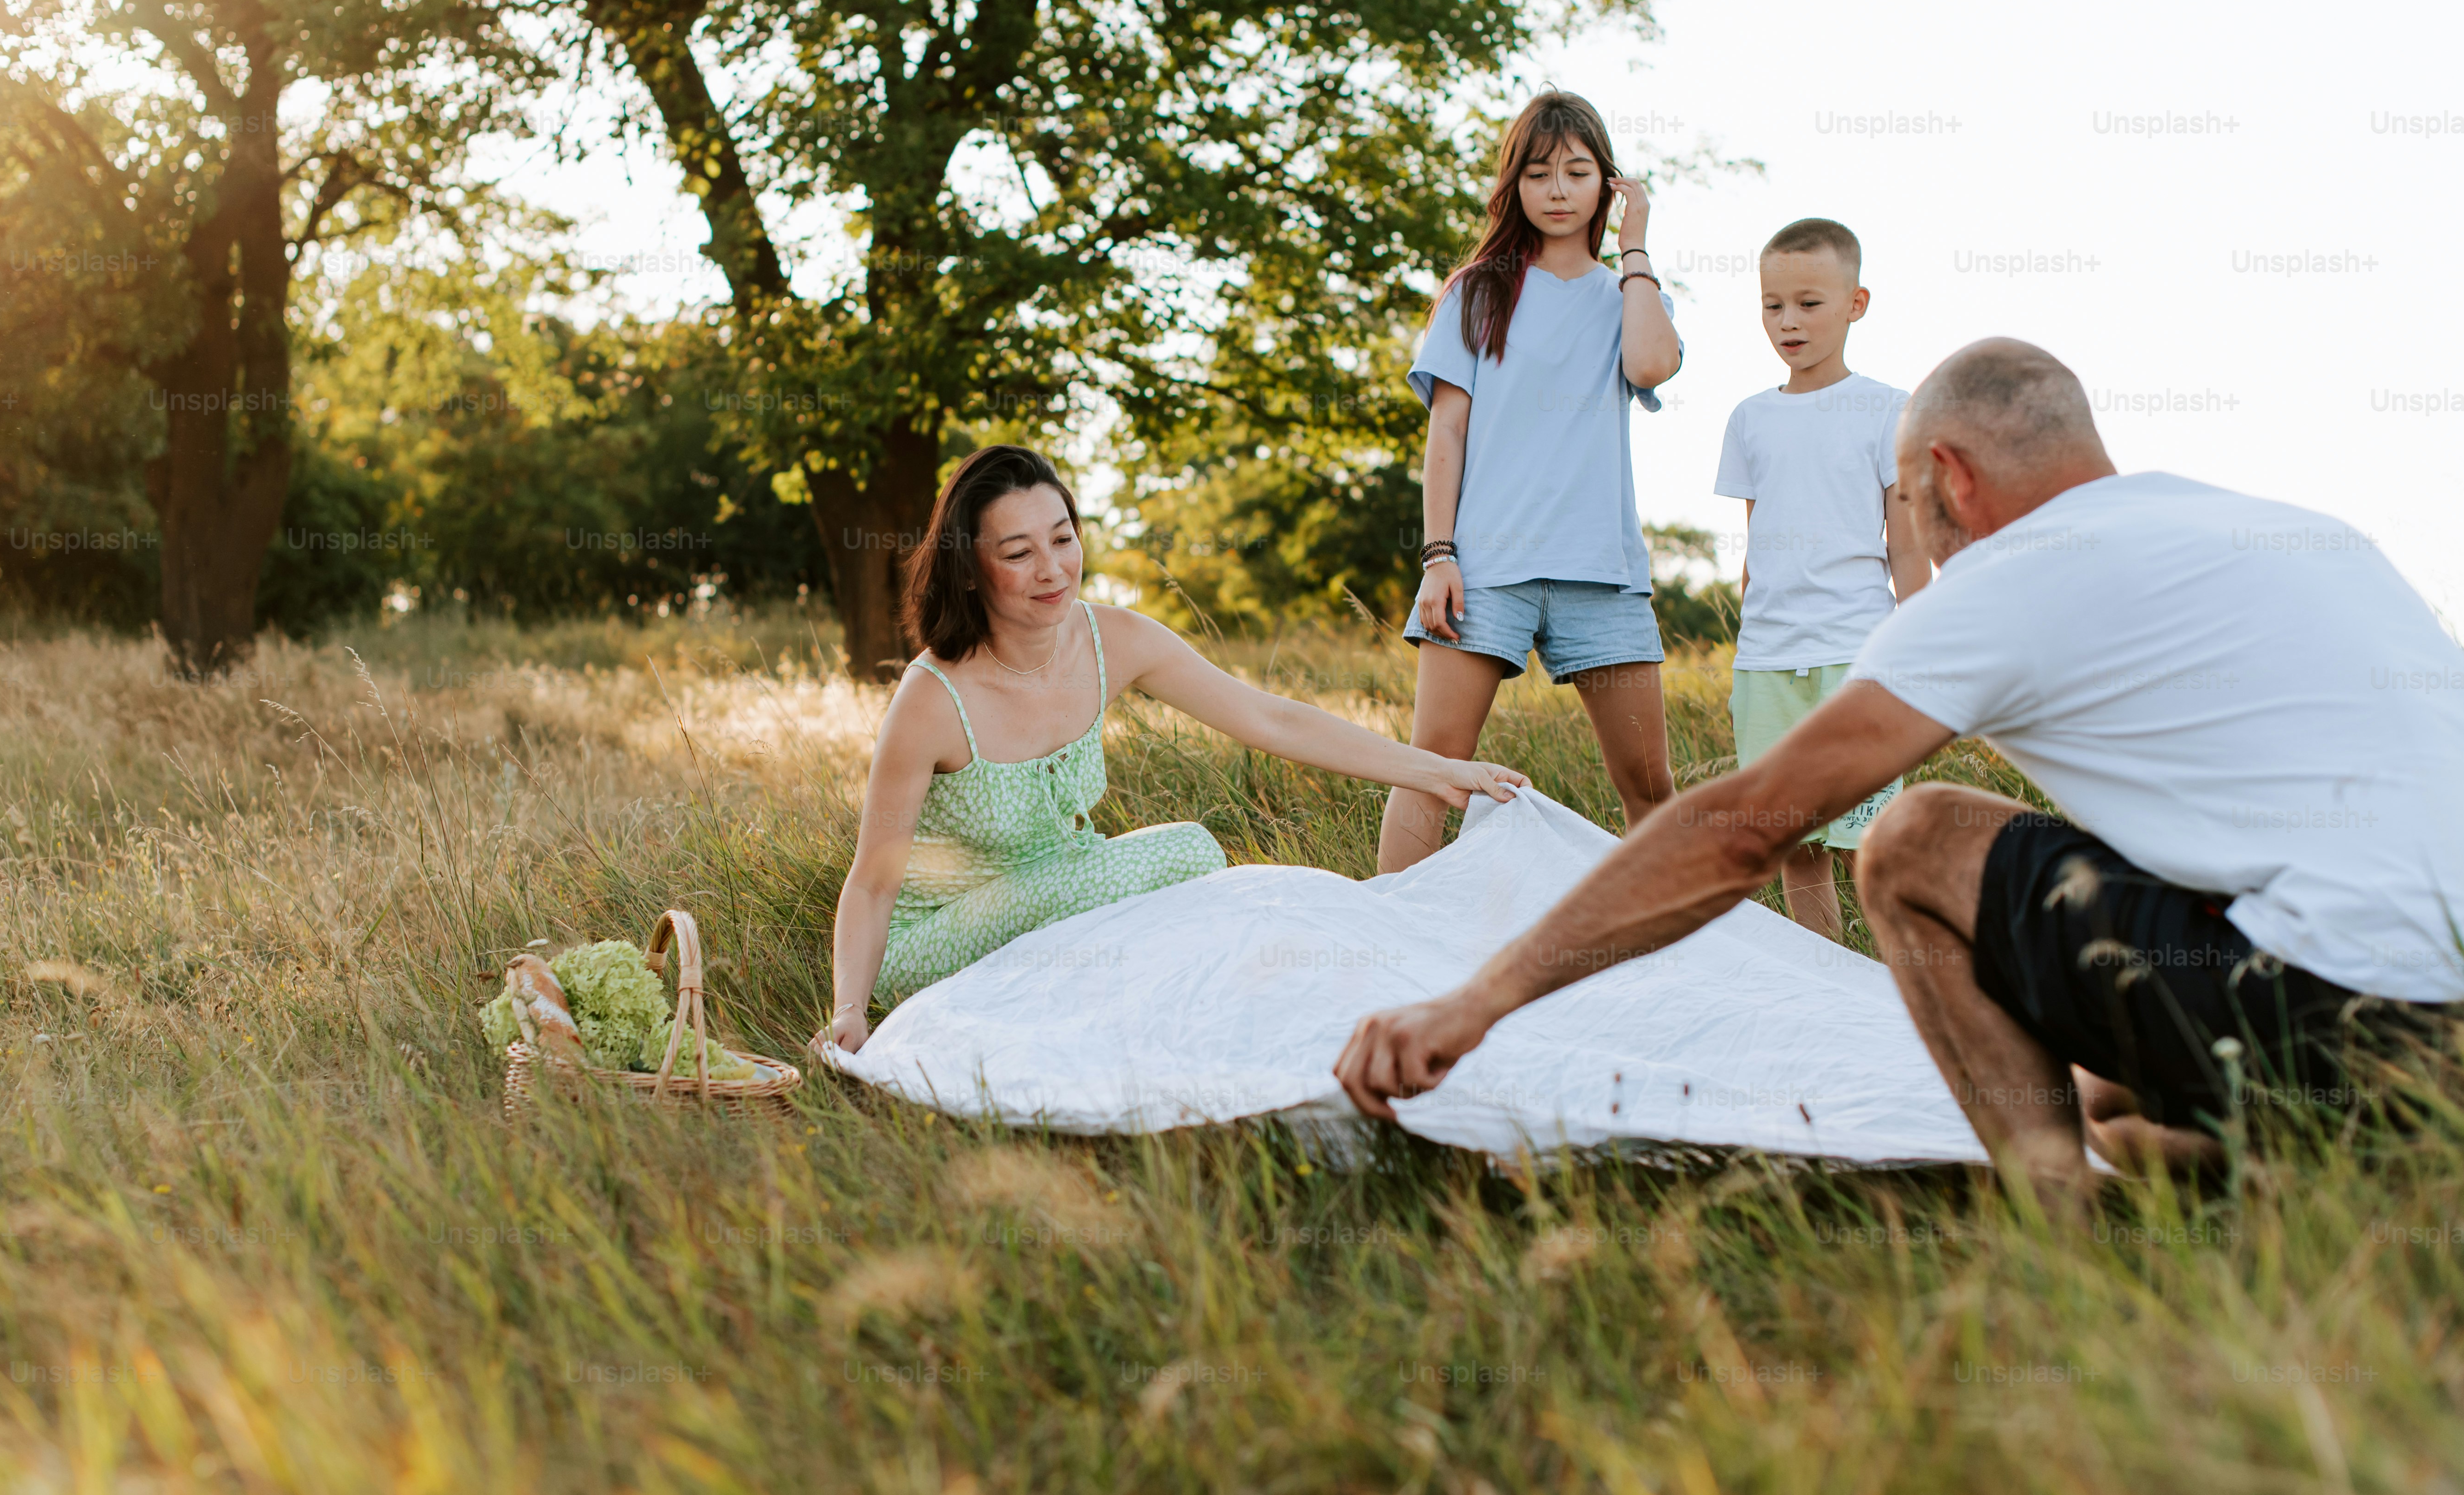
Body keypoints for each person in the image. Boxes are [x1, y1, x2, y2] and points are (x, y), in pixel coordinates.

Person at [1334, 338, 2464, 1205]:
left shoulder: (2008, 573)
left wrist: (1476, 1004)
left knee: (1915, 837)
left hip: (2344, 1011)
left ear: (1949, 481)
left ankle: (2054, 1232)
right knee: (2110, 1109)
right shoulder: (2290, 531)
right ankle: (2325, 1159)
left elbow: (1741, 829)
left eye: (1904, 499)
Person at [824, 445, 1527, 1055]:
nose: (1053, 569)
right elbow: (873, 882)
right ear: (970, 569)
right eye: (1018, 553)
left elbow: (1271, 719)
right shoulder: (931, 699)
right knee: (1187, 853)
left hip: (1070, 894)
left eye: (1063, 539)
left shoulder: (1113, 639)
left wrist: (1441, 772)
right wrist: (851, 1011)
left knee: (1214, 894)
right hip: (935, 935)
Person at [1374, 90, 1688, 876]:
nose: (1557, 190)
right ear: (1515, 185)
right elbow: (1446, 430)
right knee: (1434, 768)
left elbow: (1652, 366)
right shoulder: (1478, 291)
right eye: (1539, 173)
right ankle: (1376, 944)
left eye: (1578, 172)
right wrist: (1438, 556)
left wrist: (1636, 246)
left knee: (1649, 783)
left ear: (1606, 186)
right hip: (1486, 569)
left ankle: (1677, 948)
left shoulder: (1630, 296)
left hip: (1602, 573)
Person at [1715, 217, 1928, 939]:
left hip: (1857, 657)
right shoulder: (1750, 419)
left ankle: (1904, 995)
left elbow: (1907, 547)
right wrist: (1748, 652)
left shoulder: (1887, 409)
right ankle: (1831, 993)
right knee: (1794, 843)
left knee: (1871, 841)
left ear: (1856, 304)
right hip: (1768, 663)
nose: (1788, 321)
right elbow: (1756, 548)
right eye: (1773, 305)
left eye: (1809, 303)